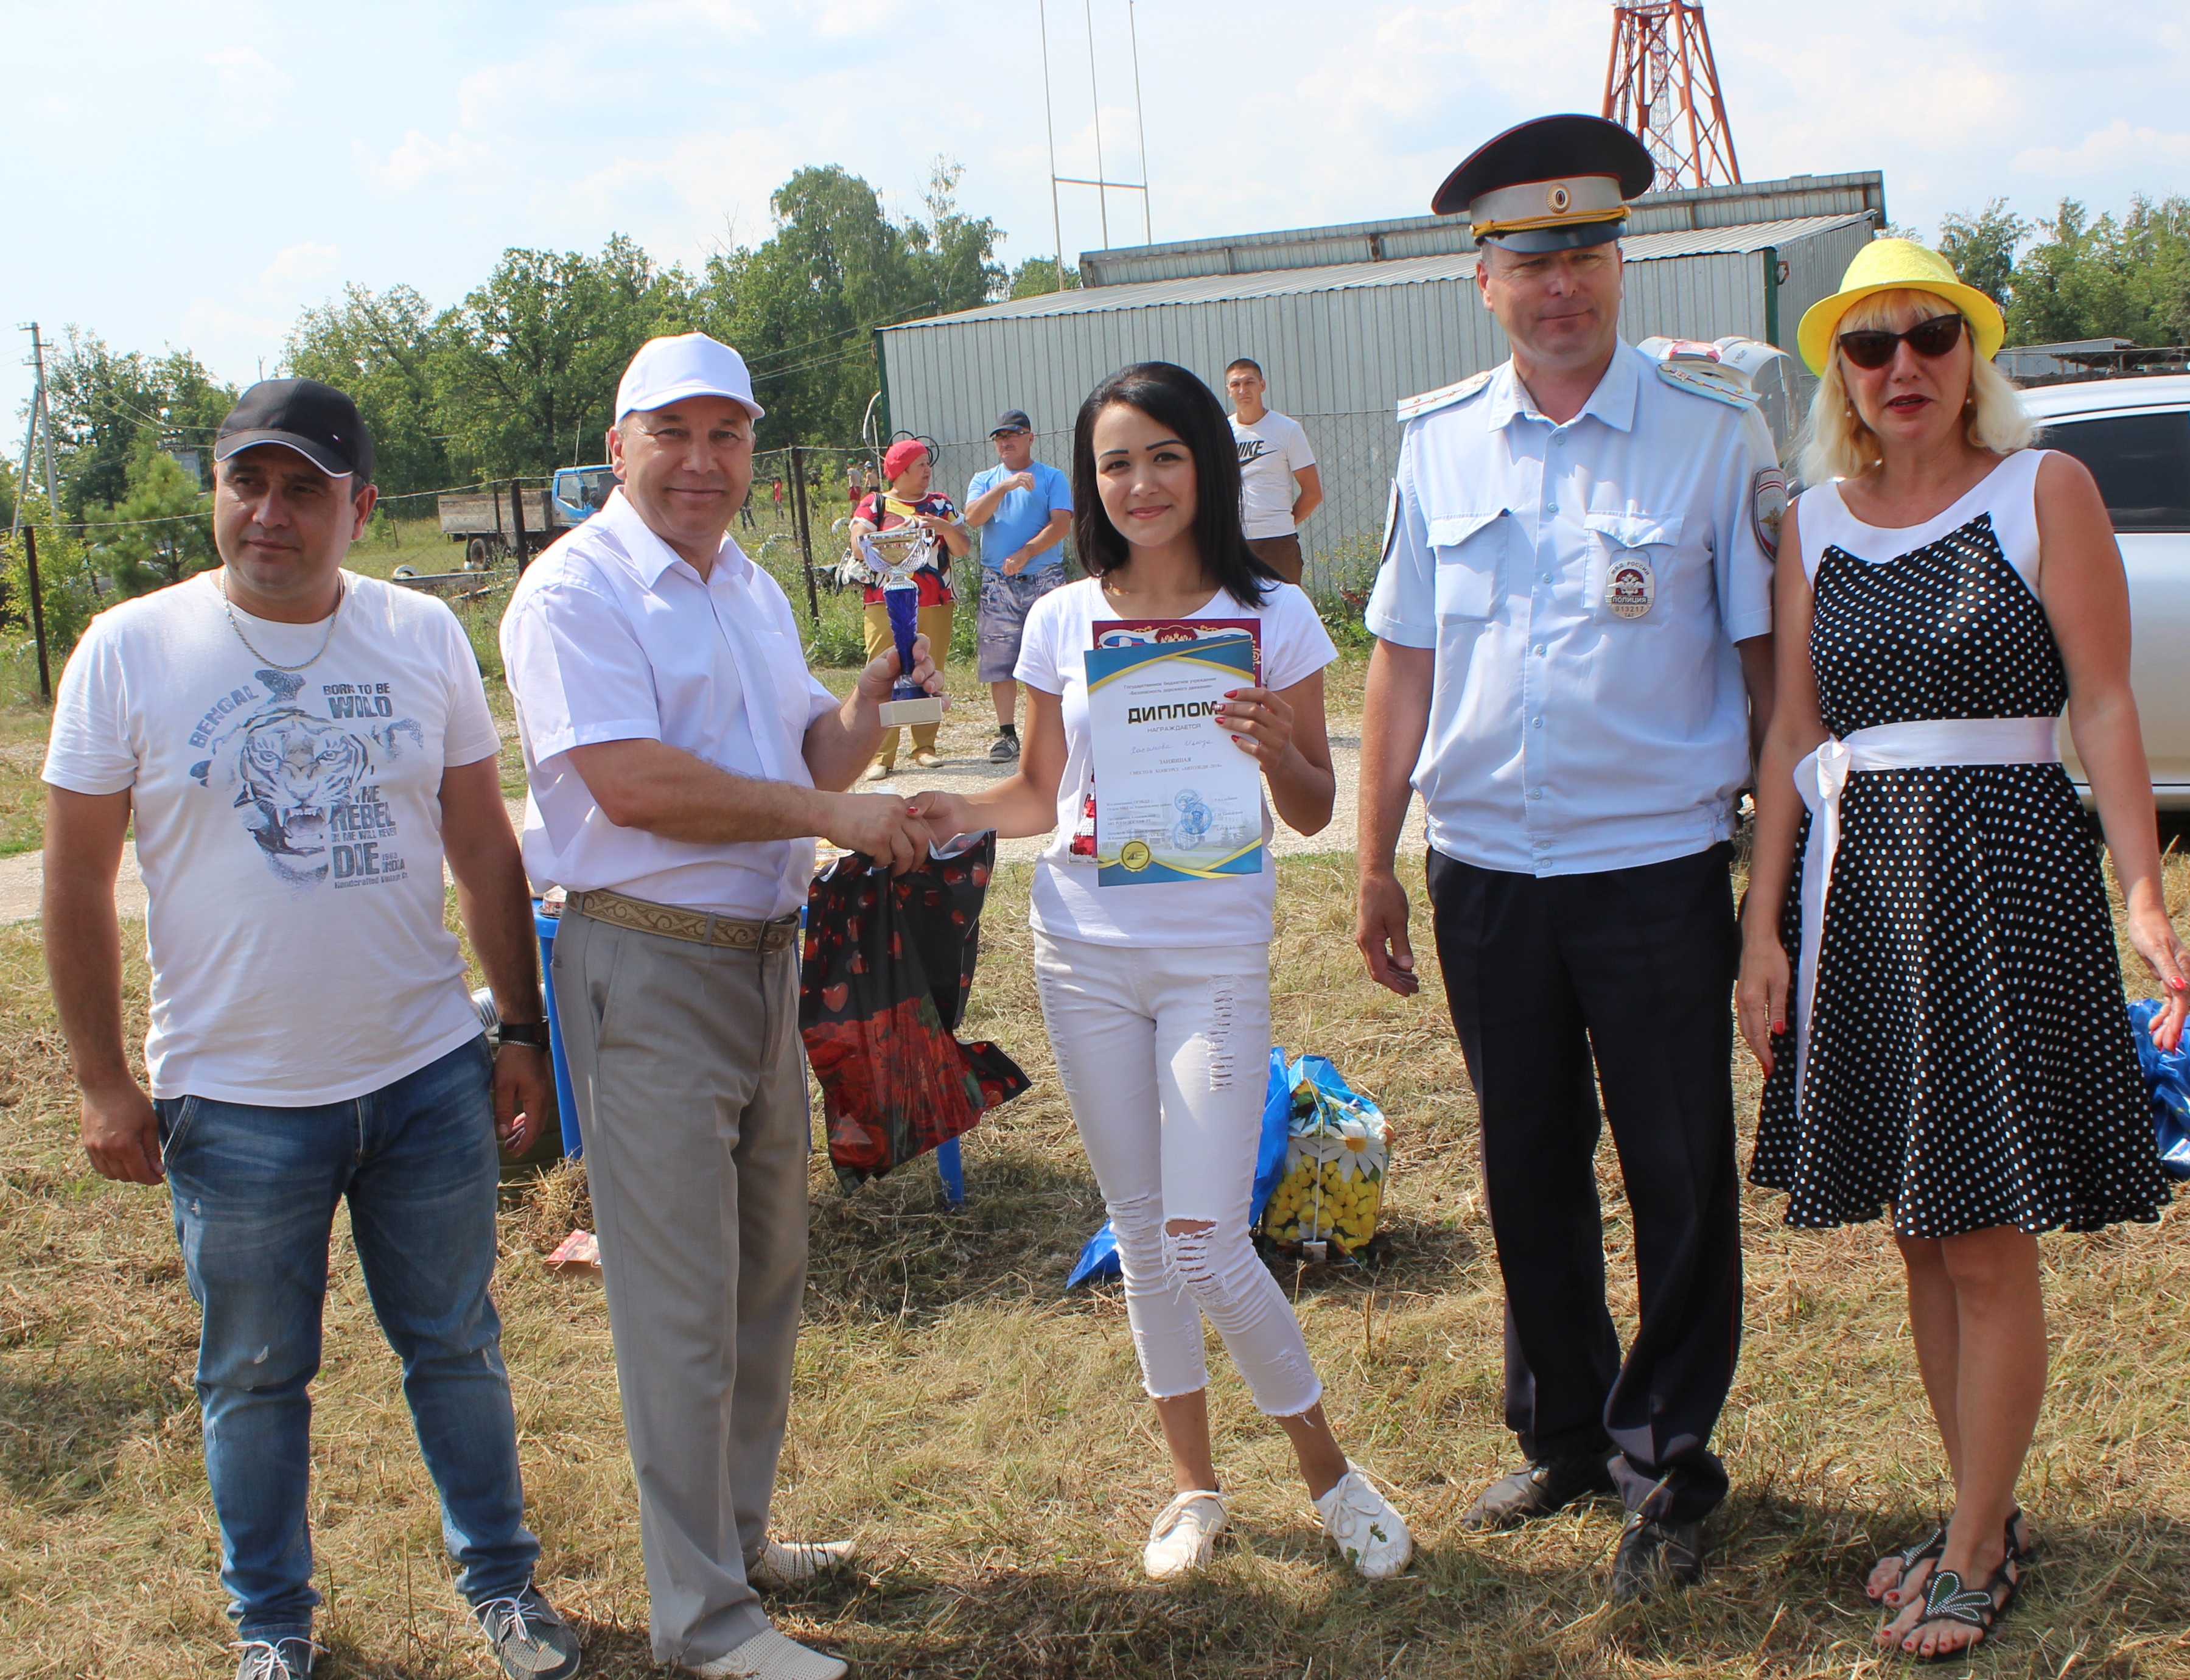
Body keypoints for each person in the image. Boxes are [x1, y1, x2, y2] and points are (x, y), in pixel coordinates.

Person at [41, 379, 581, 1680]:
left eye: (301, 488)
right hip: (231, 1100)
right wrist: (107, 1081)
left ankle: (502, 1586)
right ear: (218, 492)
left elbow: (476, 841)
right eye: (246, 482)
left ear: (359, 506)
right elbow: (71, 881)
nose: (267, 513)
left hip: (420, 1075)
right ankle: (271, 1627)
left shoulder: (419, 637)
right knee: (253, 1375)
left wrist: (517, 1027)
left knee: (454, 1342)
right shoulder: (128, 651)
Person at [1353, 114, 1780, 1603]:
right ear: (1484, 280)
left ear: (1621, 262)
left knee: (1674, 1169)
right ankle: (1563, 1434)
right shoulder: (1439, 439)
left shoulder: (1711, 431)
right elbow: (1401, 667)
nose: (1561, 288)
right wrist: (1374, 858)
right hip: (1483, 867)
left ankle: (1669, 1462)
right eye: (1530, 263)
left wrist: (1774, 882)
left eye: (1587, 255)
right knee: (1526, 1161)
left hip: (1656, 865)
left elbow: (1769, 671)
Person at [1737, 240, 2183, 1659]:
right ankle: (1974, 1503)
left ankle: (1981, 1543)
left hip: (2007, 877)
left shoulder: (2043, 490)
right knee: (1919, 1231)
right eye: (1871, 349)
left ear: (1972, 355)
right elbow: (1795, 735)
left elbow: (2106, 705)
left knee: (1982, 1236)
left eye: (1932, 337)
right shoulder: (1813, 522)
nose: (1904, 368)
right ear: (1841, 377)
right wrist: (1762, 928)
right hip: (1862, 890)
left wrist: (2142, 889)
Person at [907, 362, 1414, 1587]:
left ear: (1205, 465)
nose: (1138, 483)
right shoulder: (1059, 619)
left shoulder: (1274, 619)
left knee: (1203, 1235)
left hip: (1209, 958)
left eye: (1163, 457)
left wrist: (1279, 743)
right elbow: (1035, 795)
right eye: (1115, 462)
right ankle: (1193, 1488)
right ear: (1090, 479)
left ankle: (1330, 1475)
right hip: (1080, 952)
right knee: (1142, 1237)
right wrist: (946, 809)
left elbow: (1306, 813)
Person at [499, 333, 943, 1680]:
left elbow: (808, 745)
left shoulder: (744, 584)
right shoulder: (572, 592)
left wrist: (870, 704)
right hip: (641, 960)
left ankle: (734, 1544)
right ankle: (700, 1621)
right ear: (619, 444)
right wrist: (830, 813)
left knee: (762, 1277)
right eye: (674, 433)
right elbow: (631, 785)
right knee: (679, 1300)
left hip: (761, 954)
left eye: (728, 436)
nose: (703, 462)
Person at [849, 438, 968, 777]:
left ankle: (925, 747)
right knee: (884, 668)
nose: (927, 470)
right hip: (884, 600)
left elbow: (961, 548)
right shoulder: (877, 504)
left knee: (928, 670)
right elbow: (859, 545)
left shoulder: (941, 504)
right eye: (920, 464)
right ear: (899, 471)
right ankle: (881, 756)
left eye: (928, 464)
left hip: (935, 598)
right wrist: (895, 536)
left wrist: (945, 528)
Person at [963, 407, 1074, 763]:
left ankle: (1058, 730)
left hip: (1045, 578)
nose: (1005, 442)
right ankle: (1007, 735)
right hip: (999, 582)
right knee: (1001, 659)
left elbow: (1061, 525)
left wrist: (1027, 552)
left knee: (1055, 657)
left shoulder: (1052, 477)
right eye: (999, 437)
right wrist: (1006, 485)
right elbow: (974, 517)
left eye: (1012, 435)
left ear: (1030, 437)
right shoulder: (985, 480)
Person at [1224, 359, 1321, 586]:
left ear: (1262, 385)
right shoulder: (1221, 433)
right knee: (1237, 617)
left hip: (1278, 543)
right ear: (1228, 390)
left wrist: (1281, 522)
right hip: (1233, 543)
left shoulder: (1287, 430)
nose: (1243, 390)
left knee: (1282, 615)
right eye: (1236, 384)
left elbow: (1313, 493)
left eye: (1249, 382)